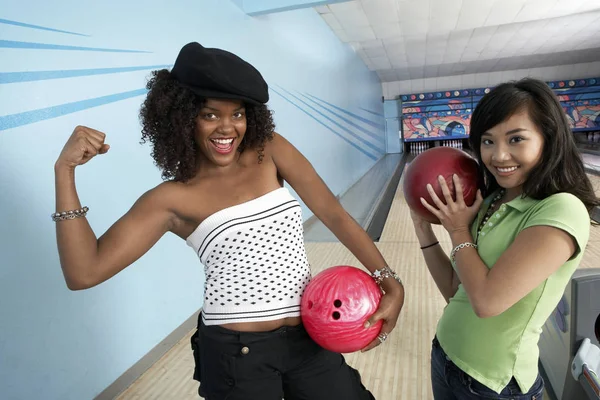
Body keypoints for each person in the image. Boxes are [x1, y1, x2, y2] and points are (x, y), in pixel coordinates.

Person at [53, 42, 405, 400]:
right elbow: (84, 272)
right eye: (210, 115)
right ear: (182, 117)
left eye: (237, 114)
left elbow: (335, 215)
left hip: (307, 337)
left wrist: (390, 282)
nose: (227, 128)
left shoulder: (269, 150)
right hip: (237, 358)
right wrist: (64, 171)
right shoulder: (171, 198)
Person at [410, 77, 599, 399]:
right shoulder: (494, 201)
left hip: (493, 384)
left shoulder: (561, 209)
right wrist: (425, 231)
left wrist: (458, 231)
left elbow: (486, 302)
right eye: (487, 141)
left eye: (516, 139)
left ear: (548, 138)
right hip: (446, 357)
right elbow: (458, 291)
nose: (499, 155)